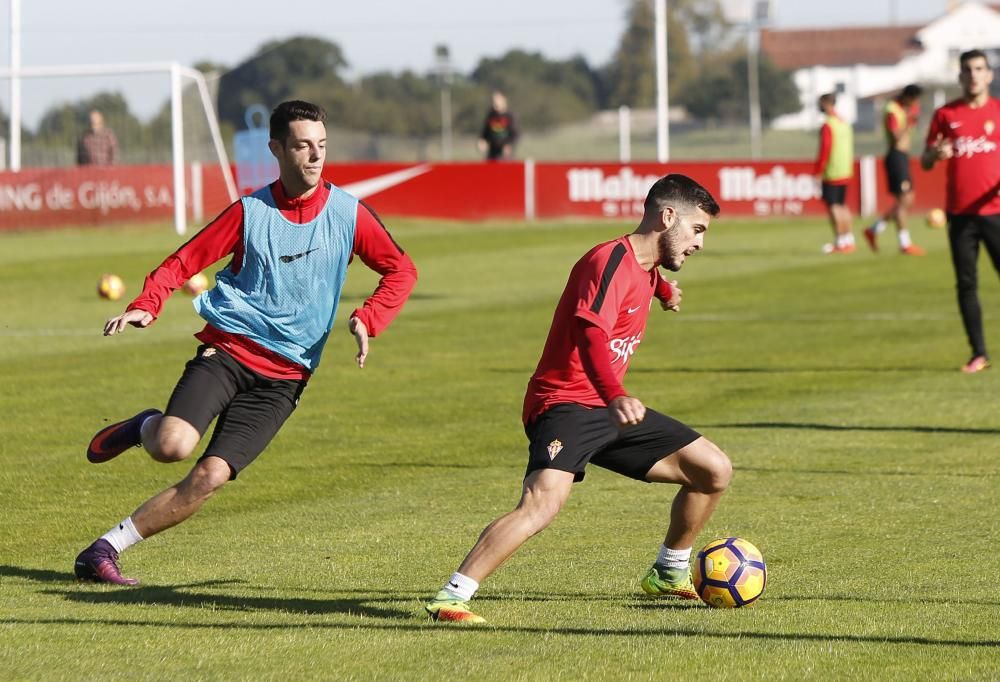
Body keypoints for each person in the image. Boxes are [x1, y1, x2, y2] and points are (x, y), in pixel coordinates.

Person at [73, 100, 418, 584]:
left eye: (321, 146)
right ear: (276, 148)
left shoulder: (349, 213)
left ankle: (103, 550)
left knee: (209, 477)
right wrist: (147, 304)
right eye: (302, 145)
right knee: (172, 446)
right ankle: (146, 426)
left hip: (285, 378)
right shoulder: (249, 212)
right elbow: (182, 262)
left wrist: (369, 317)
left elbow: (401, 270)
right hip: (229, 351)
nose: (315, 157)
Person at [424, 174, 731, 624]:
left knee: (713, 470)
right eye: (697, 229)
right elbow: (591, 331)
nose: (699, 243)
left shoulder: (645, 266)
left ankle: (669, 572)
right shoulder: (608, 260)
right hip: (565, 404)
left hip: (608, 409)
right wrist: (614, 394)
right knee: (542, 505)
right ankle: (452, 596)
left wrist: (663, 290)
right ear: (667, 217)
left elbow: (642, 278)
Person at [922, 49, 1000, 374]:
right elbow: (926, 161)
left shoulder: (999, 112)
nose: (973, 75)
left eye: (979, 69)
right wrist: (935, 155)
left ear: (989, 75)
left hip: (996, 212)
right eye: (967, 69)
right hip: (960, 215)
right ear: (960, 76)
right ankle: (978, 352)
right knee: (966, 284)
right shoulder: (945, 115)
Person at [865, 84, 926, 256]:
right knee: (903, 200)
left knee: (908, 200)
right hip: (895, 156)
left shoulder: (909, 108)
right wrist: (910, 121)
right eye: (914, 99)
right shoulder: (892, 110)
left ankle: (874, 229)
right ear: (907, 97)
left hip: (903, 156)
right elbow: (896, 135)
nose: (916, 103)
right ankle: (904, 243)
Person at [814, 93, 856, 254]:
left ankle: (840, 242)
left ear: (826, 103)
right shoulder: (844, 122)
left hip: (832, 171)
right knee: (842, 206)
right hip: (845, 169)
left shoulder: (828, 125)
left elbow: (825, 149)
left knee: (833, 207)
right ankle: (848, 240)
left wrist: (818, 171)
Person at [477, 90, 518, 161]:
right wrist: (482, 141)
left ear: (504, 100)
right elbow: (485, 132)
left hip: (505, 155)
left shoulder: (509, 116)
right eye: (493, 100)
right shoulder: (491, 115)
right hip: (492, 153)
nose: (495, 102)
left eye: (497, 100)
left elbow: (515, 134)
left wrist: (509, 144)